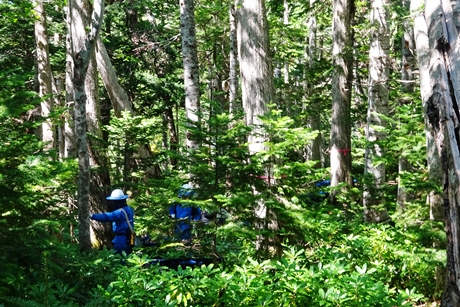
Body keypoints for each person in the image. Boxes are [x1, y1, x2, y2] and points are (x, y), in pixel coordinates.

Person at [91, 189, 135, 256]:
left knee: (120, 260)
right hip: (130, 238)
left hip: (121, 240)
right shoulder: (129, 209)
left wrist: (92, 216)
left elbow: (107, 216)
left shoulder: (119, 212)